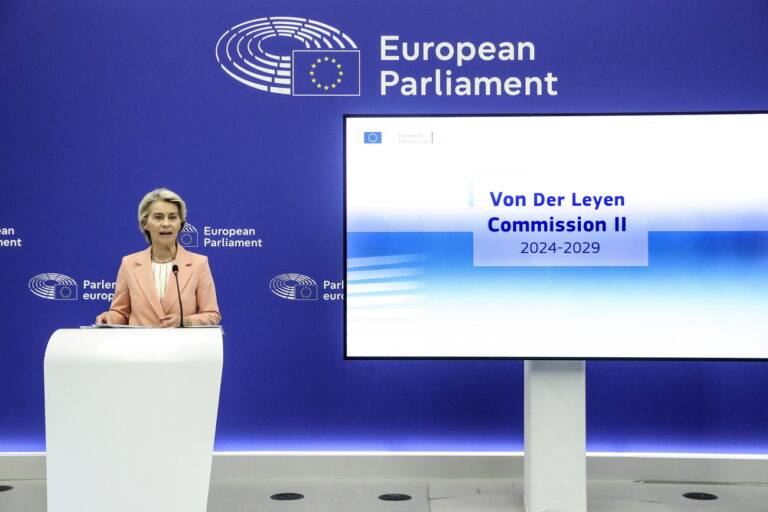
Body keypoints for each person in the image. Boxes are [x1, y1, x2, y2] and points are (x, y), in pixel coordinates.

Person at [95, 188, 221, 327]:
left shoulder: (199, 263)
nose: (166, 224)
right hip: (140, 346)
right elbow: (121, 313)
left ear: (180, 224)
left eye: (172, 217)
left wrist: (186, 321)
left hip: (182, 346)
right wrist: (109, 318)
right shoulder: (129, 263)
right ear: (145, 223)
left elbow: (212, 315)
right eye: (158, 217)